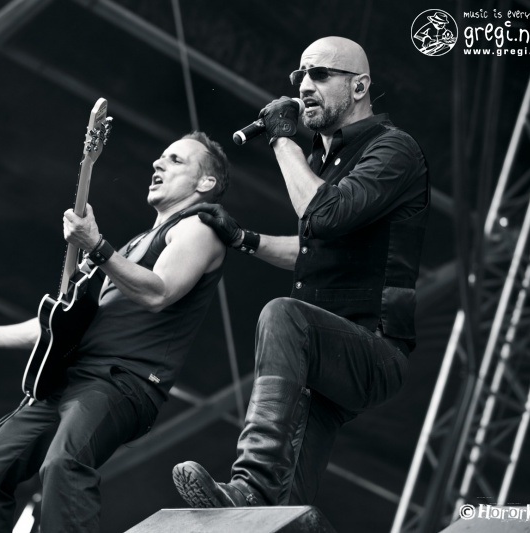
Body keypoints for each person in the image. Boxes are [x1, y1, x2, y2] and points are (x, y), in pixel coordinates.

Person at [172, 36, 430, 508]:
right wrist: (244, 239)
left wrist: (279, 139)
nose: (304, 85)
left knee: (283, 314)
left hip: (373, 346)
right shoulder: (321, 162)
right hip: (320, 350)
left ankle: (249, 482)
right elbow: (314, 247)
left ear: (360, 87)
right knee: (288, 501)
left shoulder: (393, 149)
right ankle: (257, 507)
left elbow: (323, 216)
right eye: (299, 76)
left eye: (320, 74)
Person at [0, 132, 229, 532]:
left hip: (121, 381)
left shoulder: (199, 227)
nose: (158, 164)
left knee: (64, 463)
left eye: (175, 160)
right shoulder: (132, 247)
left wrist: (98, 246)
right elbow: (69, 321)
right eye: (160, 157)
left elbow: (159, 293)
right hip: (72, 379)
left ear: (206, 182)